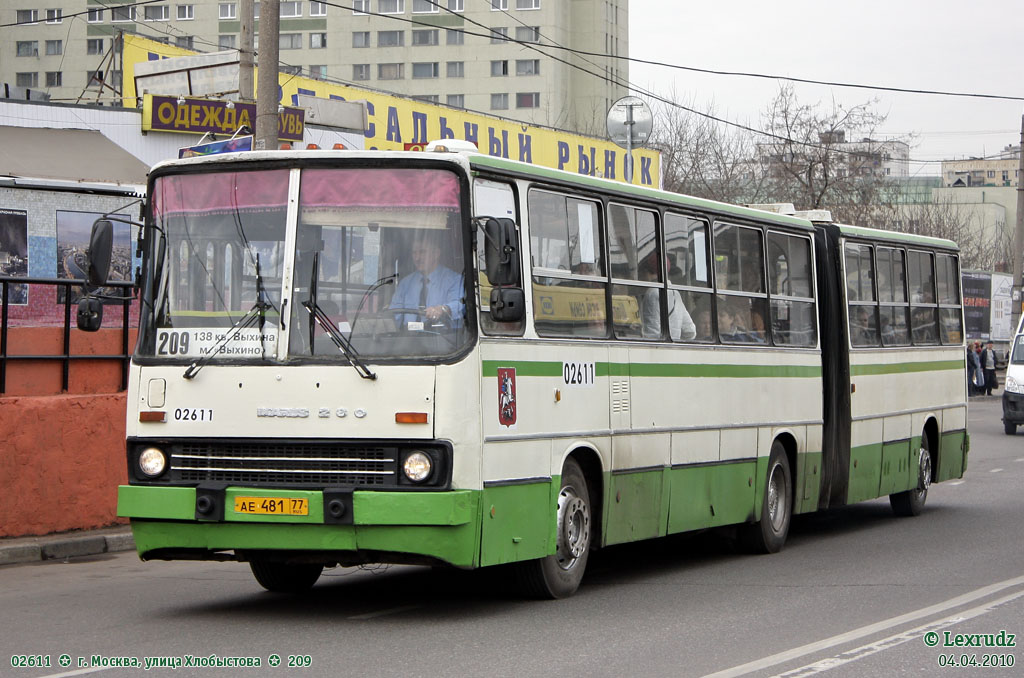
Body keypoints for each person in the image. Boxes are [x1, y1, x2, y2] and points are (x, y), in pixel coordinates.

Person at [389, 232, 464, 328]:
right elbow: (394, 314)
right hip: (408, 339)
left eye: (422, 252)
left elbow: (460, 305)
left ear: (436, 254)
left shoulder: (454, 280)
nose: (417, 258)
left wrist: (443, 309)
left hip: (442, 339)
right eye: (414, 253)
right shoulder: (405, 283)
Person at [640, 259, 695, 341]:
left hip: (658, 351)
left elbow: (651, 334)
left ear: (647, 272)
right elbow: (690, 331)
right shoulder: (675, 293)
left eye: (642, 272)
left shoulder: (653, 293)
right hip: (673, 349)